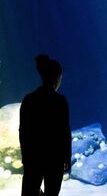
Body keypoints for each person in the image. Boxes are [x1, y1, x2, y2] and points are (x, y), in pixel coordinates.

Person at [19, 55, 71, 196]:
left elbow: (23, 131)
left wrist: (25, 157)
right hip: (55, 157)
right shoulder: (60, 101)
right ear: (58, 77)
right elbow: (65, 132)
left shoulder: (28, 100)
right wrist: (67, 157)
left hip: (33, 157)